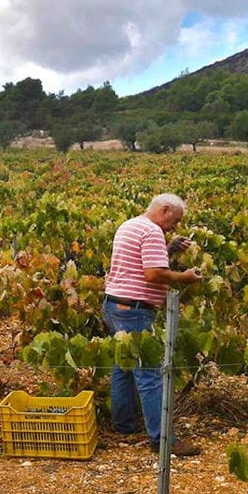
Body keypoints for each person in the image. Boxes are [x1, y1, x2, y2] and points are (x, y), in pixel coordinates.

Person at [102, 193, 203, 456]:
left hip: (115, 305)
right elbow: (152, 273)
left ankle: (123, 426)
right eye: (175, 220)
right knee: (149, 375)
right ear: (165, 209)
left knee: (123, 366)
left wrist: (168, 250)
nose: (175, 226)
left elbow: (138, 262)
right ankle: (163, 440)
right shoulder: (152, 231)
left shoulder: (131, 224)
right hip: (134, 310)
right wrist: (184, 277)